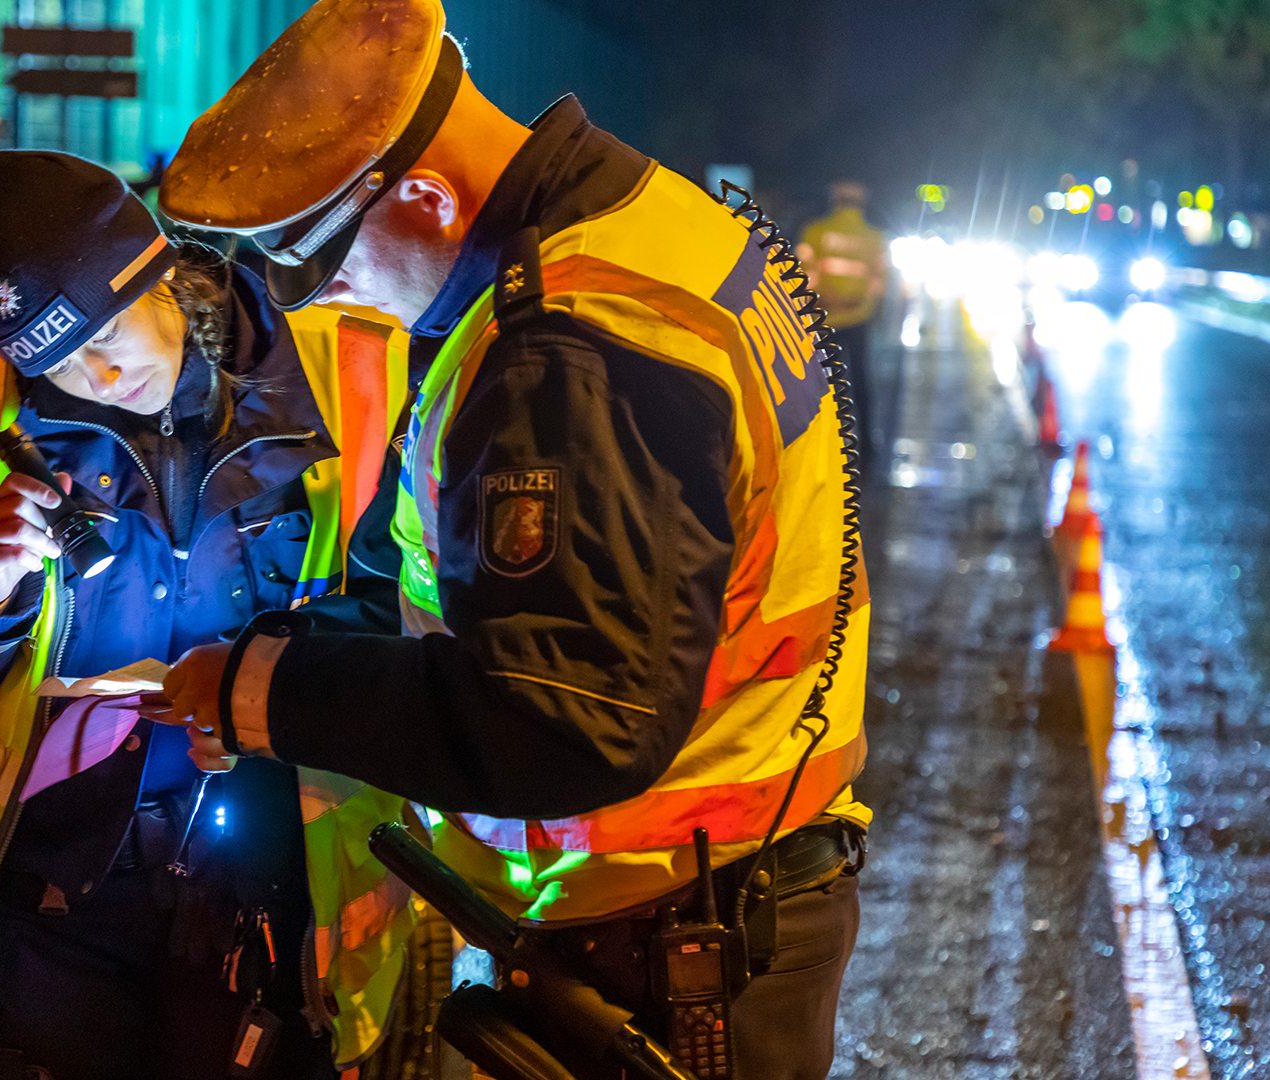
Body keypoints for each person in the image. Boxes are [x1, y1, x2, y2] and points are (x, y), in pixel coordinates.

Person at [152, 2, 872, 1079]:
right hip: (708, 898)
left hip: (660, 943)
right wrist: (293, 651)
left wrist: (271, 695)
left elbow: (571, 722)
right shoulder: (635, 230)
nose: (319, 301)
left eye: (312, 262)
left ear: (430, 197)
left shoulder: (569, 357)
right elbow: (482, 599)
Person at [0, 151, 417, 1080]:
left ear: (160, 271)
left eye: (105, 339)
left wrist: (262, 684)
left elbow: (416, 630)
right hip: (49, 894)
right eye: (59, 365)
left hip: (277, 889)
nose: (98, 378)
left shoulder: (349, 376)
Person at [799, 180, 886, 459]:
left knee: (821, 382)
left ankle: (821, 443)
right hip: (858, 316)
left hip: (821, 317)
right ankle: (868, 447)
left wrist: (819, 300)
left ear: (834, 199)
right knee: (860, 381)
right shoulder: (874, 237)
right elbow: (878, 281)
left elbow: (802, 274)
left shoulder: (815, 231)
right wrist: (867, 308)